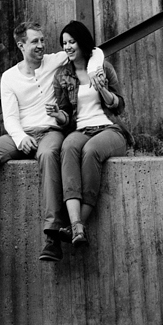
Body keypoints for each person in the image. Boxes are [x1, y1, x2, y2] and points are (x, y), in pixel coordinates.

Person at [0, 17, 104, 264]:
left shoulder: (54, 61)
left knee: (48, 154)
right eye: (35, 42)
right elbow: (10, 117)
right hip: (22, 134)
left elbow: (93, 51)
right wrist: (20, 138)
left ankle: (52, 237)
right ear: (21, 46)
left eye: (43, 40)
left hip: (50, 131)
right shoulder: (9, 77)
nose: (41, 45)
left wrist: (95, 69)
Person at [51, 20, 131, 251]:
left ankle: (80, 224)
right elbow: (67, 115)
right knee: (68, 147)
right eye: (64, 43)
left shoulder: (103, 67)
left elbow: (119, 106)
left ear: (82, 42)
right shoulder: (61, 76)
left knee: (91, 151)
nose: (67, 47)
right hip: (80, 129)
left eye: (72, 42)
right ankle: (76, 224)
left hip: (110, 129)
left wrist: (103, 89)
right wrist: (59, 115)